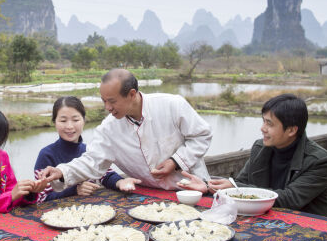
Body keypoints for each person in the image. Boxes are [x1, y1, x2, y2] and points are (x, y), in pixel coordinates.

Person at [40, 69, 212, 191]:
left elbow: (202, 136)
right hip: (150, 195)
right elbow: (92, 161)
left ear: (131, 94)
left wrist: (175, 161)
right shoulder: (109, 128)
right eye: (103, 101)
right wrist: (61, 171)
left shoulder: (172, 105)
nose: (107, 107)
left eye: (112, 101)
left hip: (193, 189)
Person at [178, 93, 327, 217]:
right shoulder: (260, 148)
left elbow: (290, 199)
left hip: (309, 226)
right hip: (267, 220)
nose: (262, 128)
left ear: (292, 130)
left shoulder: (319, 161)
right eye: (263, 121)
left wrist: (236, 187)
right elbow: (240, 183)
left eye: (269, 124)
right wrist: (207, 187)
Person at [33, 96, 138, 202]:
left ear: (84, 120)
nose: (69, 126)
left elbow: (106, 175)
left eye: (75, 120)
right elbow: (41, 197)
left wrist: (120, 182)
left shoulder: (90, 150)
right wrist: (75, 190)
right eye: (63, 120)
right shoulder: (46, 155)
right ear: (54, 122)